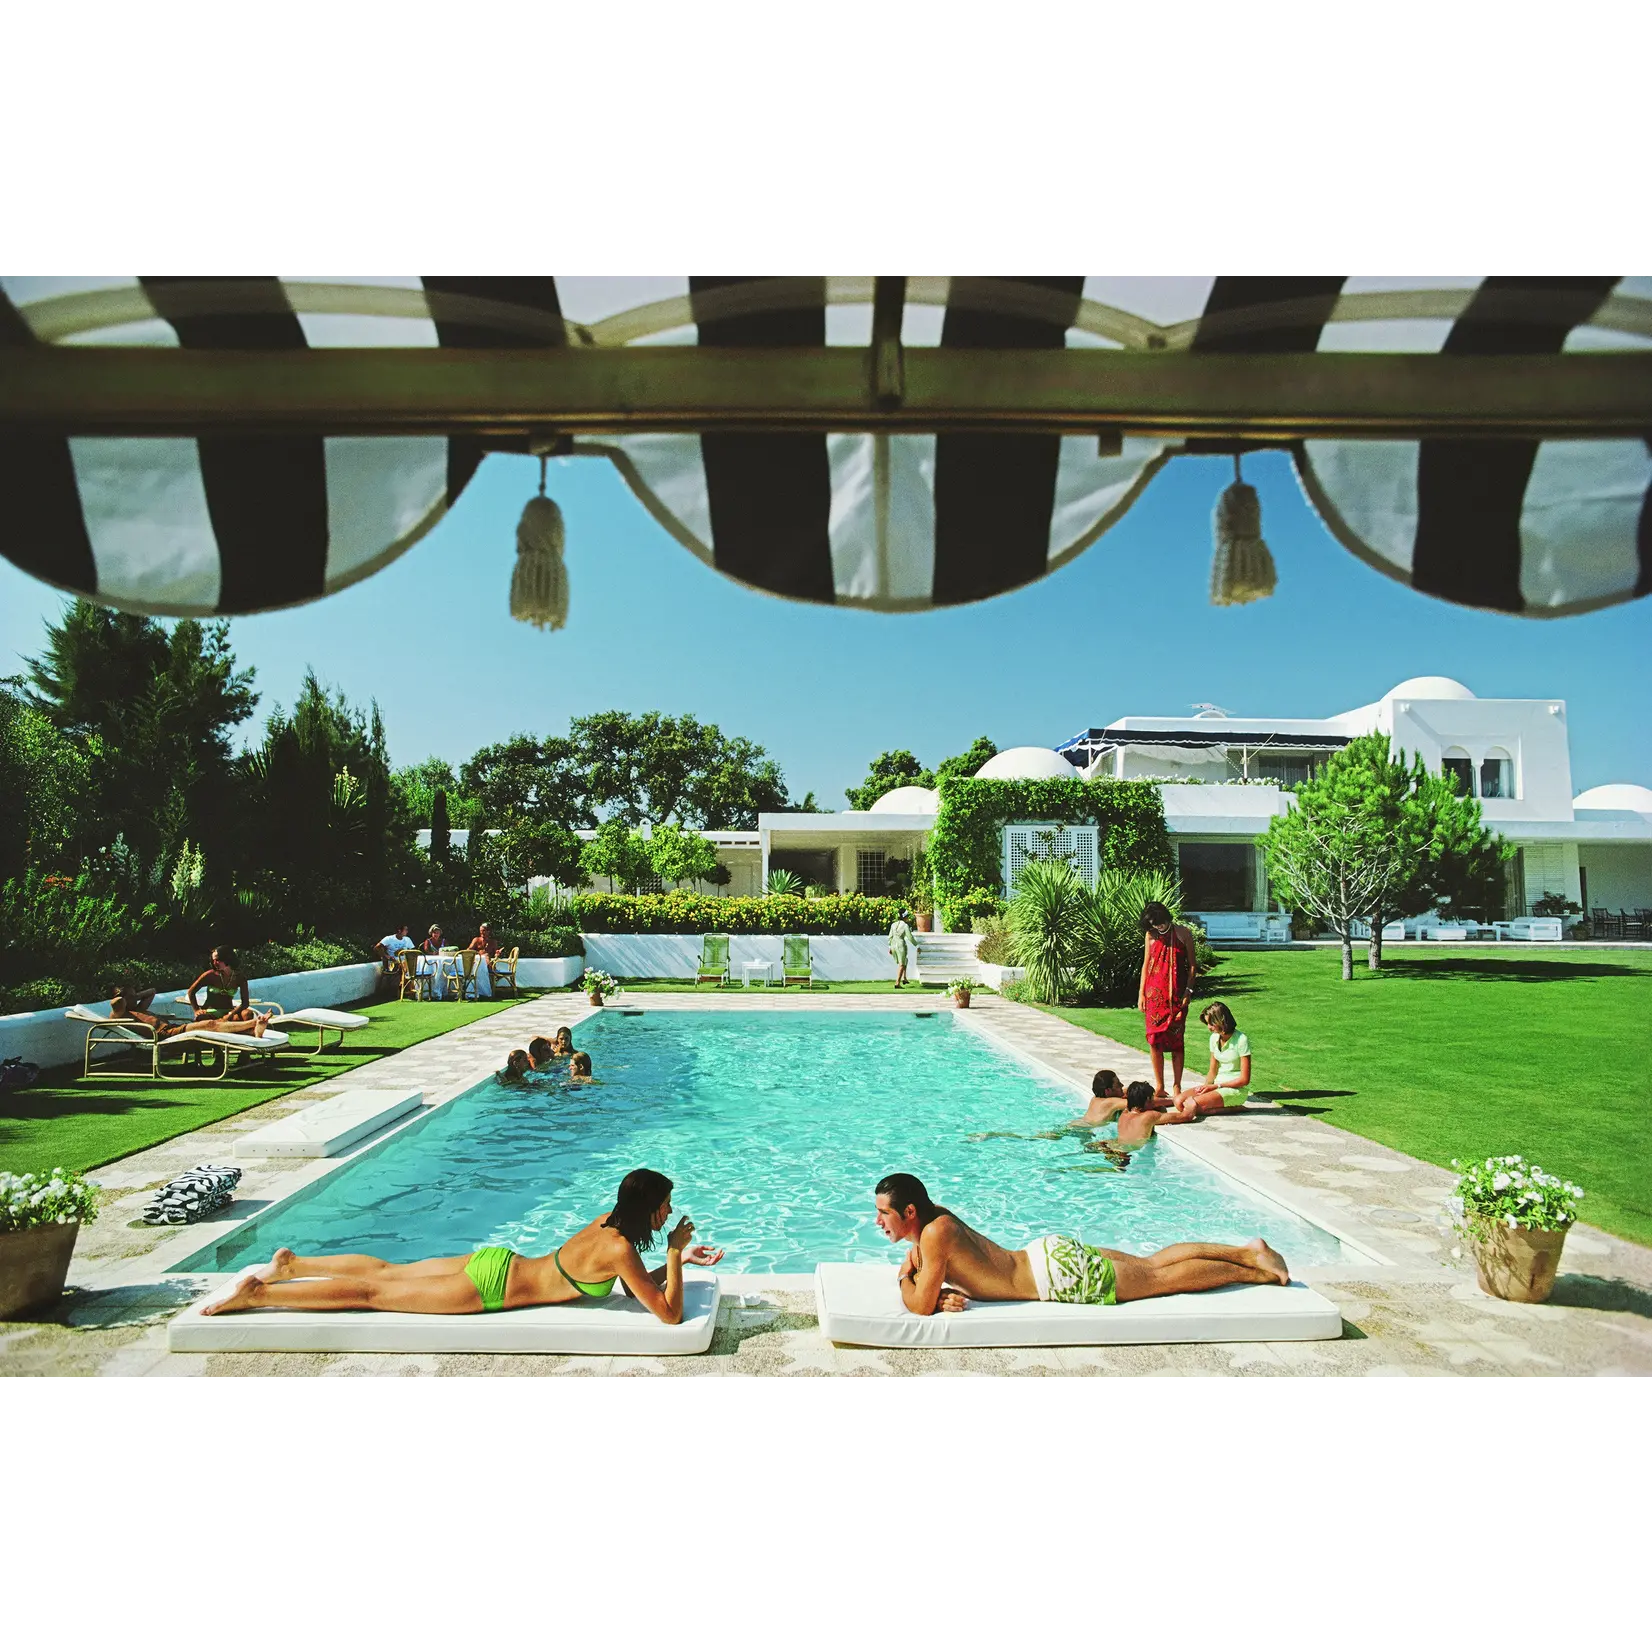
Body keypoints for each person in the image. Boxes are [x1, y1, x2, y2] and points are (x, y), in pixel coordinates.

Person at [200, 1168, 725, 1324]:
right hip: (488, 1288)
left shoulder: (606, 1225)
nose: (669, 1212)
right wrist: (673, 1253)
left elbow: (634, 1288)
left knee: (387, 1270)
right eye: (665, 1205)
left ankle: (293, 1266)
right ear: (648, 1207)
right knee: (370, 1295)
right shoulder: (620, 1250)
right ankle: (260, 1295)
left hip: (497, 1261)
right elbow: (667, 1314)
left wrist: (672, 1260)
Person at [873, 1172, 1289, 1316]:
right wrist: (931, 1284)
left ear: (909, 1211)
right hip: (1046, 1257)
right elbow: (929, 1275)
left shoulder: (934, 1235)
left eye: (884, 1213)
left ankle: (1257, 1272)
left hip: (1058, 1278)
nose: (878, 1222)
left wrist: (907, 1280)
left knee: (1162, 1280)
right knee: (1150, 1264)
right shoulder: (935, 1220)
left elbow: (919, 1305)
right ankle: (1247, 1250)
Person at [1138, 901, 1197, 1100]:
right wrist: (1141, 994)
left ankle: (1177, 1085)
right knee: (1154, 1041)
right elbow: (1146, 964)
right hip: (1154, 997)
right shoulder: (1150, 935)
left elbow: (1192, 966)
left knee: (1177, 1042)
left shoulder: (1183, 933)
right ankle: (1160, 1086)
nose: (1158, 926)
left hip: (1177, 996)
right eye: (1154, 924)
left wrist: (1188, 991)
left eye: (1160, 922)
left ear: (1166, 917)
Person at [111, 981, 270, 1039]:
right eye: (132, 997)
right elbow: (116, 1002)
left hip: (172, 1029)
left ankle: (252, 1033)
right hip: (164, 1035)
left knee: (213, 1028)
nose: (136, 998)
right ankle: (254, 1023)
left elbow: (152, 991)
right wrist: (124, 995)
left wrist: (134, 995)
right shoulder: (120, 1013)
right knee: (210, 1024)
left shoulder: (138, 1009)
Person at [1176, 1001, 1255, 1115]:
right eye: (1207, 1023)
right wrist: (1206, 1087)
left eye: (1211, 1023)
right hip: (1216, 1087)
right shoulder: (1214, 1038)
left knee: (1192, 1107)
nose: (1209, 1027)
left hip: (1234, 1090)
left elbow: (1244, 1080)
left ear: (1221, 1021)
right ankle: (1219, 1106)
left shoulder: (1241, 1040)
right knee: (1179, 1102)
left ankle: (1233, 1108)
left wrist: (1217, 1086)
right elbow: (1212, 1071)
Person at [186, 946, 256, 1026]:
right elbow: (191, 991)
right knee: (200, 1018)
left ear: (227, 958)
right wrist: (196, 1010)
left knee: (248, 1014)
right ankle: (222, 1024)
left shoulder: (240, 977)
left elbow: (245, 1003)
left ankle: (224, 1023)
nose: (215, 963)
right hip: (210, 1012)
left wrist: (231, 1014)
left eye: (217, 960)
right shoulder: (210, 975)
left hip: (229, 1012)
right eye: (213, 960)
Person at [888, 909, 916, 989]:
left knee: (905, 960)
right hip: (901, 945)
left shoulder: (893, 925)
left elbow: (890, 937)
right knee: (902, 964)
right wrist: (917, 946)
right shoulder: (905, 925)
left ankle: (904, 978)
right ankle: (897, 983)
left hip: (893, 945)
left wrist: (890, 947)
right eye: (907, 917)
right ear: (905, 917)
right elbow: (910, 937)